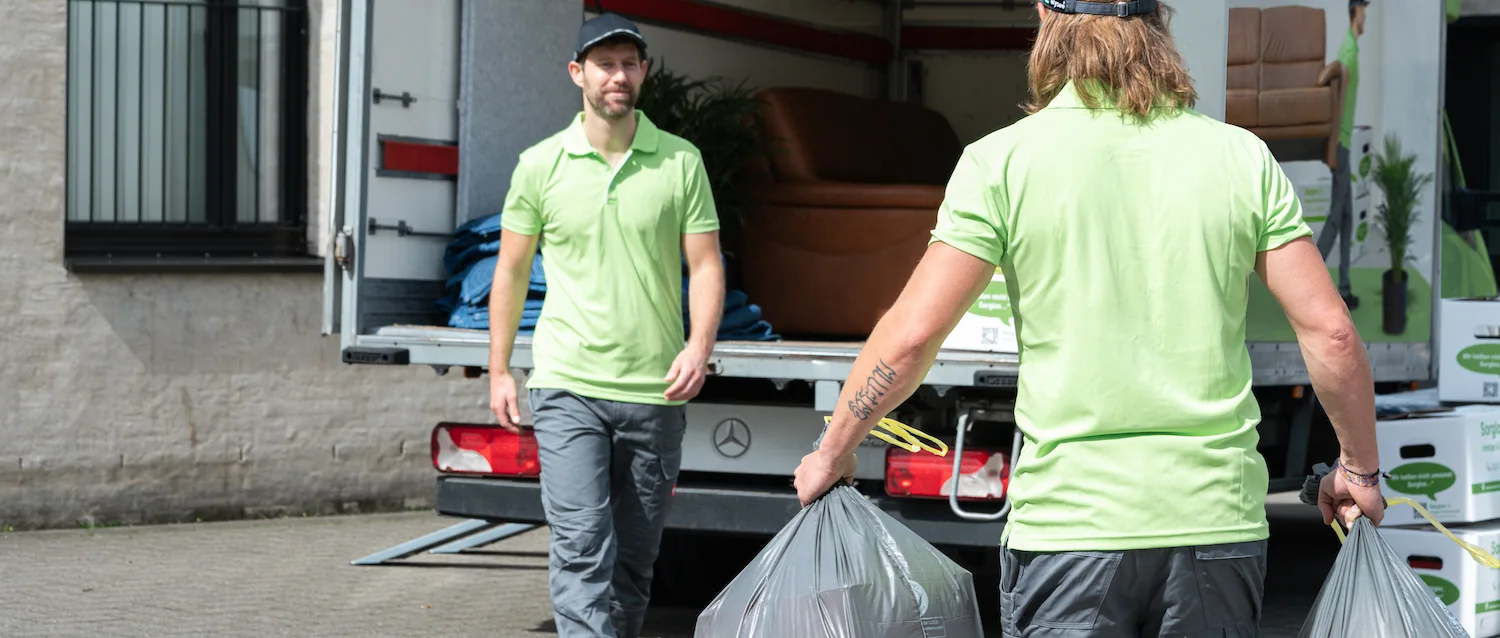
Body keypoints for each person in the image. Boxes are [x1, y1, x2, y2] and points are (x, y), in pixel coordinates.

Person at [792, 0, 1385, 635]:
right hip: (1215, 525)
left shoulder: (1001, 163)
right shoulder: (1240, 158)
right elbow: (1331, 332)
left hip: (1070, 532)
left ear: (1045, 16)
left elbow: (911, 337)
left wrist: (834, 449)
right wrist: (1358, 469)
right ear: (1160, 22)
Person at [485, 12, 725, 638]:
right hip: (568, 384)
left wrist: (699, 345)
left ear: (643, 72)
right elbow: (509, 272)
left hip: (655, 392)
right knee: (582, 541)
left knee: (635, 559)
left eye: (628, 63)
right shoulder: (540, 165)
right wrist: (499, 369)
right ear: (577, 74)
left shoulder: (679, 163)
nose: (617, 76)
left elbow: (704, 266)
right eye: (604, 64)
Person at [1317, 0, 1370, 308]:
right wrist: (1334, 143)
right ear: (1356, 11)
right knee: (1337, 216)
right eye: (1364, 10)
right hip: (1343, 142)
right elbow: (1335, 97)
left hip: (1346, 141)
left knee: (1348, 218)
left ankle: (1345, 288)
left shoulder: (1352, 47)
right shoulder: (1347, 51)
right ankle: (1311, 279)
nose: (1366, 16)